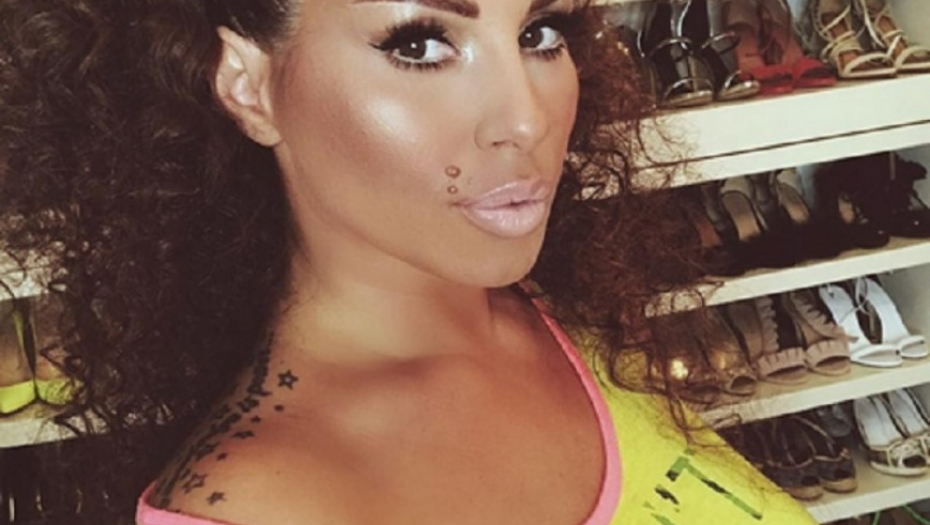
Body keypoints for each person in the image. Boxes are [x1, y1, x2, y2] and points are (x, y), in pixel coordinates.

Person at [0, 0, 818, 524]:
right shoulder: (255, 504)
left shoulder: (548, 317)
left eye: (540, 33)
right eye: (422, 44)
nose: (525, 120)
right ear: (250, 88)